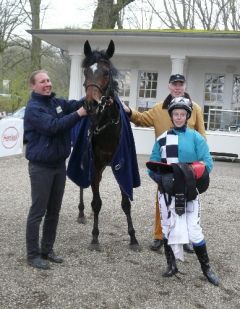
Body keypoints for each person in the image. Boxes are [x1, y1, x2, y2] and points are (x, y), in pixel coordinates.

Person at [122, 74, 206, 253]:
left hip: (187, 168)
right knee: (163, 202)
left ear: (184, 86)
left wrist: (202, 167)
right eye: (174, 84)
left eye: (180, 84)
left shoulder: (196, 109)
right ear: (169, 86)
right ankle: (160, 236)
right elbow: (141, 119)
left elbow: (202, 136)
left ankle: (187, 237)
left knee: (188, 202)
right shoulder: (159, 108)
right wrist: (127, 110)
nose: (177, 87)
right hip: (165, 165)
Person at [147, 96, 219, 286]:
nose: (178, 117)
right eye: (175, 114)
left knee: (194, 231)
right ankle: (171, 265)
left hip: (189, 192)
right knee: (167, 229)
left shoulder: (196, 137)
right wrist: (163, 180)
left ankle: (207, 269)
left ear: (187, 116)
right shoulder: (162, 139)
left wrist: (188, 176)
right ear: (171, 116)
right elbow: (151, 167)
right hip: (167, 192)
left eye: (182, 114)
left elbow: (208, 163)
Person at [24, 70, 87, 270]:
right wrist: (79, 114)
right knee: (38, 212)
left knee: (54, 212)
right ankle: (33, 255)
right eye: (42, 81)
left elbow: (75, 104)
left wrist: (91, 93)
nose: (47, 84)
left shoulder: (56, 102)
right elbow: (53, 127)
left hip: (59, 165)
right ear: (33, 86)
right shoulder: (34, 108)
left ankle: (47, 249)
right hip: (41, 167)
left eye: (49, 80)